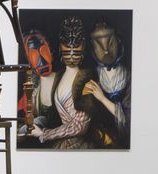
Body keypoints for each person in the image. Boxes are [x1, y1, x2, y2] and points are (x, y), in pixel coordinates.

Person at [27, 16, 97, 150]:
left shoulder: (86, 79)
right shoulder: (58, 76)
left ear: (83, 49)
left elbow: (80, 126)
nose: (71, 55)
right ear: (60, 48)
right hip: (63, 143)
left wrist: (44, 134)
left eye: (76, 52)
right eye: (67, 51)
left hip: (82, 145)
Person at [83, 18, 130, 148]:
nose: (106, 51)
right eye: (99, 45)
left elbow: (128, 119)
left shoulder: (129, 74)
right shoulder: (92, 76)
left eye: (110, 43)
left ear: (118, 41)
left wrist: (102, 98)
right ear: (93, 47)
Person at [18, 30, 57, 137]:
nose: (41, 61)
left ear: (51, 51)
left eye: (43, 51)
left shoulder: (64, 78)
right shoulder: (31, 90)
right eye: (33, 54)